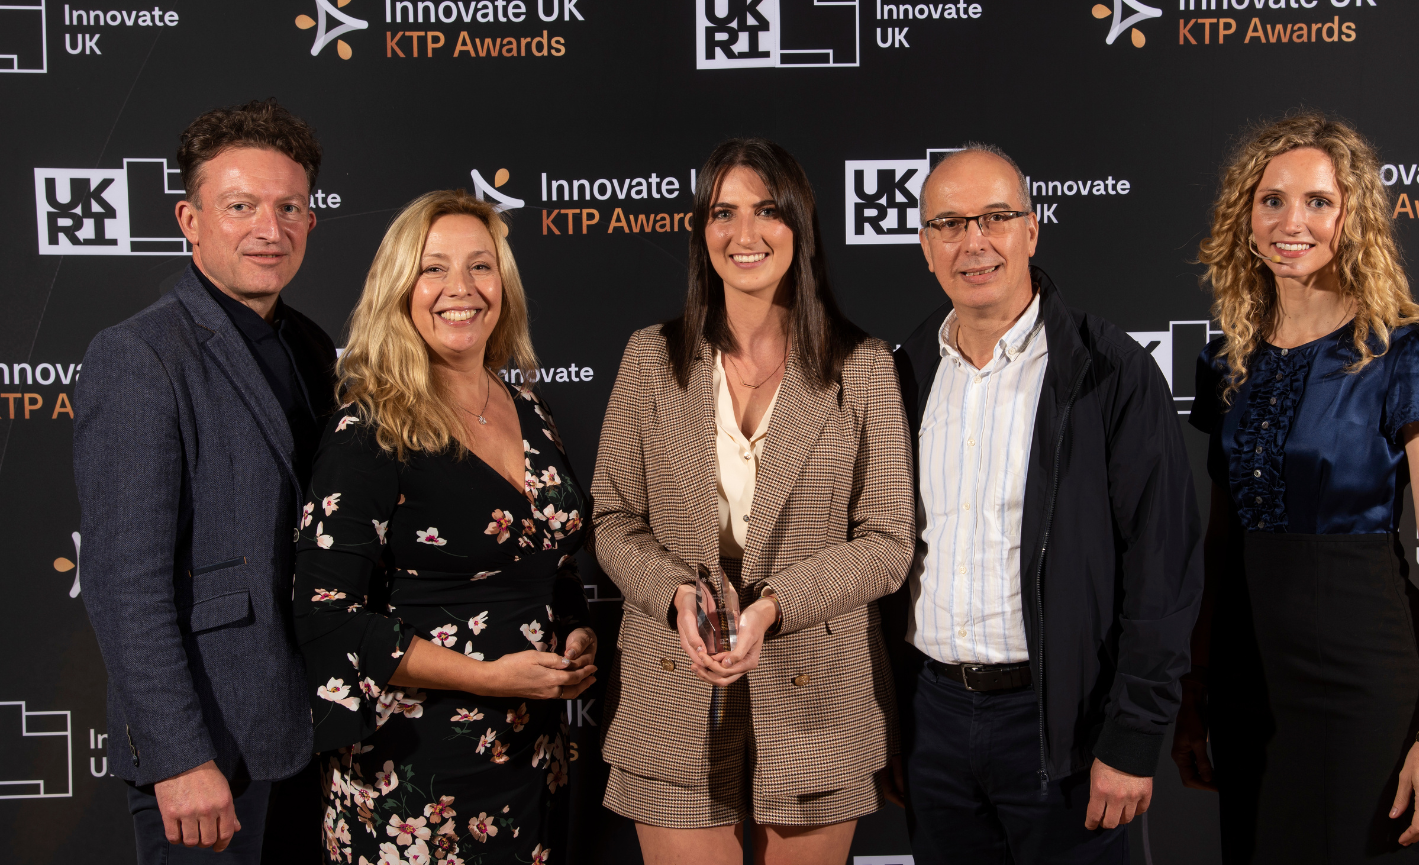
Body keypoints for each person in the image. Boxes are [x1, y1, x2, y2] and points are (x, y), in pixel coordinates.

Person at [592, 137, 916, 865]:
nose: (745, 234)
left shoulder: (862, 366)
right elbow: (613, 516)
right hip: (672, 686)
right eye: (722, 212)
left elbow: (888, 539)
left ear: (799, 225)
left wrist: (772, 606)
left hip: (817, 693)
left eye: (767, 210)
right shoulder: (650, 357)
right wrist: (675, 593)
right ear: (701, 230)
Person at [883, 143, 1204, 864]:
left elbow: (1163, 568)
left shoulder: (1109, 370)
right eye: (950, 224)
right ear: (925, 246)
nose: (975, 242)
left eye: (996, 217)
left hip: (1065, 724)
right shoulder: (903, 375)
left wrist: (1131, 737)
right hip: (934, 719)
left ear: (1032, 229)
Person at [1171, 112, 1419, 863]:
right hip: (1249, 684)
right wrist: (1195, 690)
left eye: (1317, 201)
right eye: (1271, 200)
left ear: (1355, 218)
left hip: (1364, 676)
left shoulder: (1410, 353)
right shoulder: (1227, 362)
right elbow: (1220, 541)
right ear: (1245, 217)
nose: (1290, 221)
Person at [291, 190, 598, 864]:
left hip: (531, 758)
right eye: (434, 268)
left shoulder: (529, 410)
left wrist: (576, 634)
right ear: (399, 287)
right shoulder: (369, 428)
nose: (460, 289)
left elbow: (556, 560)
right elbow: (328, 615)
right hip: (413, 776)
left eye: (480, 266)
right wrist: (489, 677)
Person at [73, 99, 337, 863]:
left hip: (307, 736)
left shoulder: (310, 344)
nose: (269, 227)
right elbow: (126, 584)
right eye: (241, 206)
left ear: (312, 221)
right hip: (208, 753)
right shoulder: (139, 355)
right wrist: (179, 757)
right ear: (190, 220)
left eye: (289, 207)